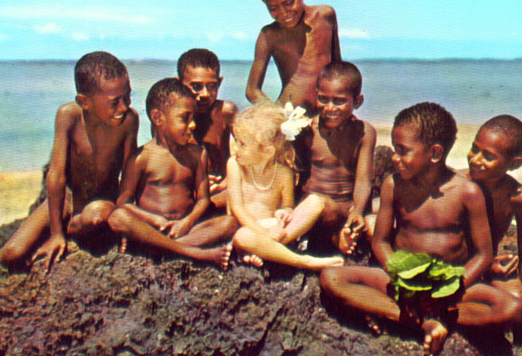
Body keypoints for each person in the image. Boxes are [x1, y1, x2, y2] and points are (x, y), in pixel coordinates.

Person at [320, 103, 522, 355]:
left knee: (513, 309)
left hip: (450, 281)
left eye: (402, 151)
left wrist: (453, 288)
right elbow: (381, 242)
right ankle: (428, 321)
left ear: (435, 153)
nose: (394, 158)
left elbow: (483, 255)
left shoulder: (468, 192)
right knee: (331, 277)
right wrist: (402, 279)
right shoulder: (393, 185)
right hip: (403, 277)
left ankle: (414, 316)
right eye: (395, 149)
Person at [0, 51, 139, 271]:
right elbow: (56, 174)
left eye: (128, 97)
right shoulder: (68, 116)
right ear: (85, 102)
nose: (124, 107)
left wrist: (126, 216)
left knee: (97, 214)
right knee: (10, 254)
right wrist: (55, 234)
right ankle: (63, 231)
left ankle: (73, 231)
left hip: (104, 200)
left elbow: (130, 173)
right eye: (115, 102)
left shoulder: (129, 121)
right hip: (68, 200)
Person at [107, 78, 236, 269]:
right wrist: (154, 219)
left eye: (193, 118)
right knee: (117, 218)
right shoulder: (141, 157)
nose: (192, 125)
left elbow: (203, 200)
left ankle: (158, 249)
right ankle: (192, 252)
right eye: (185, 118)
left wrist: (186, 221)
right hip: (152, 229)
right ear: (158, 118)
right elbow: (123, 203)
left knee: (229, 223)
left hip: (184, 230)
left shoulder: (197, 154)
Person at [465, 115, 522, 355]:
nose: (476, 160)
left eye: (488, 156)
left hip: (487, 268)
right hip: (458, 265)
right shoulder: (458, 183)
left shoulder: (518, 198)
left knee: (518, 313)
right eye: (474, 149)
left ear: (514, 164)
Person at [228, 102, 344, 271]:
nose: (235, 148)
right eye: (237, 141)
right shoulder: (234, 165)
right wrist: (263, 233)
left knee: (315, 202)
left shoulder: (283, 174)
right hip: (249, 229)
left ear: (268, 152)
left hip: (276, 231)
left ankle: (267, 251)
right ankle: (303, 261)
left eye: (242, 144)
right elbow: (237, 208)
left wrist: (284, 213)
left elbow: (287, 206)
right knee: (242, 236)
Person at [293, 61, 376, 255]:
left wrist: (357, 212)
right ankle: (334, 238)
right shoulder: (306, 129)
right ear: (316, 95)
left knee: (374, 225)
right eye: (323, 99)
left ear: (357, 101)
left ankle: (342, 236)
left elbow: (363, 180)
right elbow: (294, 173)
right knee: (322, 205)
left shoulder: (364, 132)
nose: (330, 108)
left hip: (347, 208)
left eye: (339, 101)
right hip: (317, 209)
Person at [246, 0, 341, 116]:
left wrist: (343, 105)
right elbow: (252, 90)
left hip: (326, 114)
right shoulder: (269, 35)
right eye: (273, 8)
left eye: (289, 3)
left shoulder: (326, 16)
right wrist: (278, 116)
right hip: (289, 116)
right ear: (263, 2)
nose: (284, 13)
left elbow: (338, 68)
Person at [177, 49, 238, 209]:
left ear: (220, 82)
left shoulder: (226, 112)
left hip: (221, 188)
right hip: (187, 190)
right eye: (196, 86)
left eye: (212, 86)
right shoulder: (171, 118)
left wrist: (226, 182)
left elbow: (248, 156)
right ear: (179, 83)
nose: (205, 94)